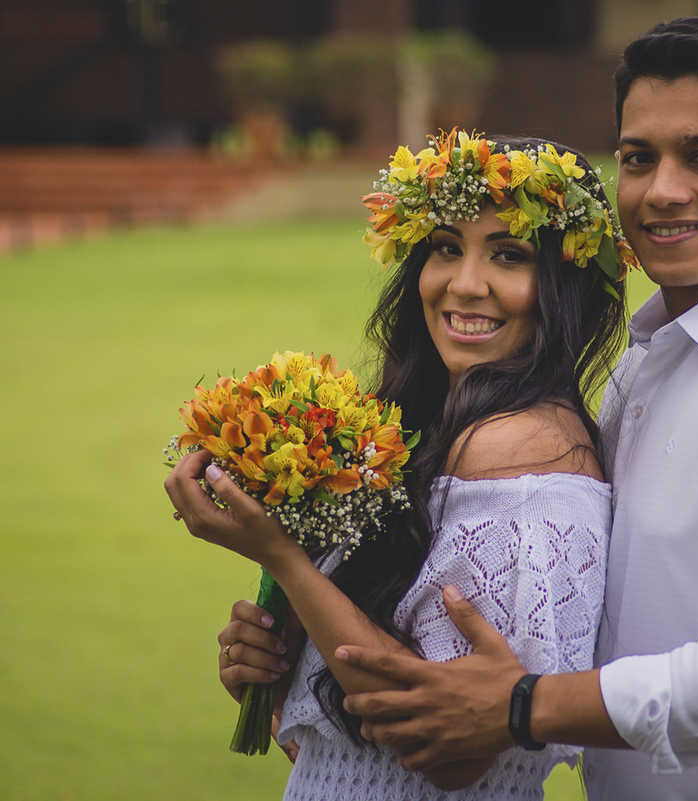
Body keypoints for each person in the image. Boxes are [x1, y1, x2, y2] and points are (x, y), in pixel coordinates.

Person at [333, 13, 698, 801]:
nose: (662, 190)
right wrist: (308, 647)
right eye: (639, 158)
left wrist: (525, 704)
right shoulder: (644, 367)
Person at [164, 132, 636, 799]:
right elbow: (336, 750)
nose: (463, 284)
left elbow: (443, 756)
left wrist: (283, 558)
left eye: (508, 254)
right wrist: (280, 659)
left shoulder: (516, 450)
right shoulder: (431, 429)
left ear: (566, 286)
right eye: (445, 247)